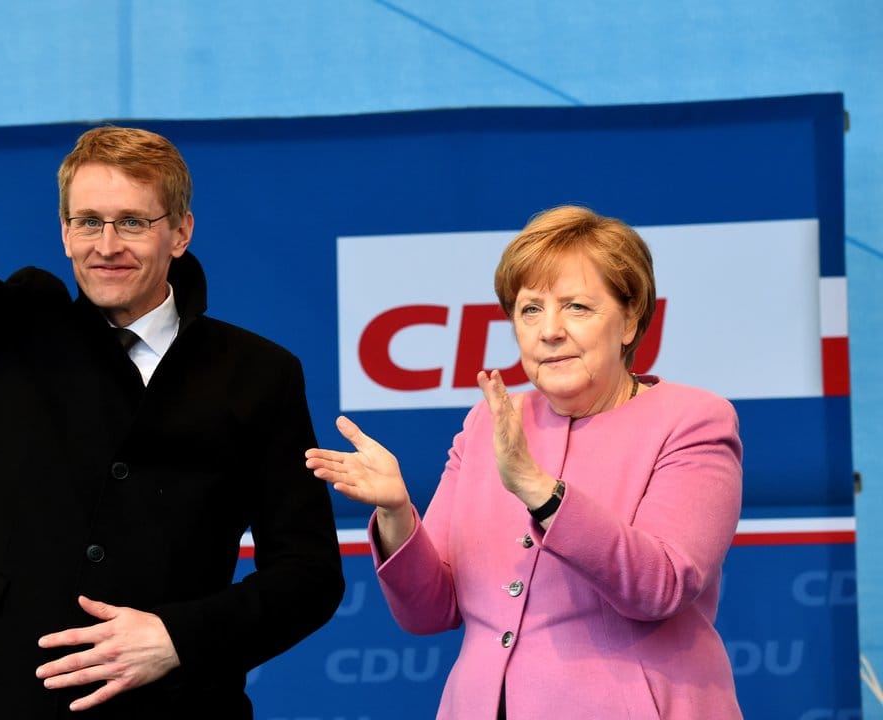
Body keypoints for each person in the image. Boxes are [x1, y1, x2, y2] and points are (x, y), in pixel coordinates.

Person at [0, 1, 344, 717]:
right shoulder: (15, 329)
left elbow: (309, 574)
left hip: (167, 699)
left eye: (133, 222)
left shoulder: (260, 374)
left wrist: (178, 637)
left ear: (179, 233)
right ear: (64, 233)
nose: (107, 244)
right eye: (88, 222)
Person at [306, 205, 743, 719]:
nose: (549, 330)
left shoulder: (694, 420)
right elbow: (430, 611)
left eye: (577, 307)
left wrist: (539, 489)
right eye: (530, 309)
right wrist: (399, 513)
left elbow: (659, 587)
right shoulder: (488, 421)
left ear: (629, 319)